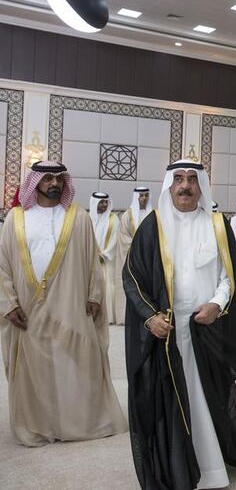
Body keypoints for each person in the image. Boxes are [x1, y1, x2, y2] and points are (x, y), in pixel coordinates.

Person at [123, 160, 236, 488]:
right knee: (170, 400)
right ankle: (177, 470)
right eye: (178, 179)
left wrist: (216, 304)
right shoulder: (153, 226)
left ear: (201, 185)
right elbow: (132, 277)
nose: (185, 186)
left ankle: (211, 469)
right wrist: (150, 317)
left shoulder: (218, 225)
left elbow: (229, 277)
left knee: (208, 398)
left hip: (206, 330)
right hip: (165, 334)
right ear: (168, 185)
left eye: (192, 179)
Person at [0, 161, 126, 446]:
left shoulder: (78, 217)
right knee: (34, 367)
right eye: (47, 179)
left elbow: (92, 261)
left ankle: (77, 423)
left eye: (59, 179)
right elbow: (2, 265)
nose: (54, 184)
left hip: (71, 303)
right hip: (27, 306)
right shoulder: (15, 218)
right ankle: (40, 426)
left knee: (75, 362)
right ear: (35, 182)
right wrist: (7, 303)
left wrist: (94, 295)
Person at [116, 186, 153, 324]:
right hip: (131, 258)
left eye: (146, 195)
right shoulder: (127, 215)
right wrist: (138, 247)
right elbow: (123, 237)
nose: (143, 198)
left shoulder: (153, 215)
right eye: (141, 195)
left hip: (149, 259)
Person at [90, 191, 120, 326]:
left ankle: (108, 317)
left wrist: (104, 255)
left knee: (108, 286)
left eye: (105, 202)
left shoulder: (114, 219)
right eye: (101, 202)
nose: (104, 205)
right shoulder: (87, 218)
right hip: (90, 260)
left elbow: (115, 240)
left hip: (107, 260)